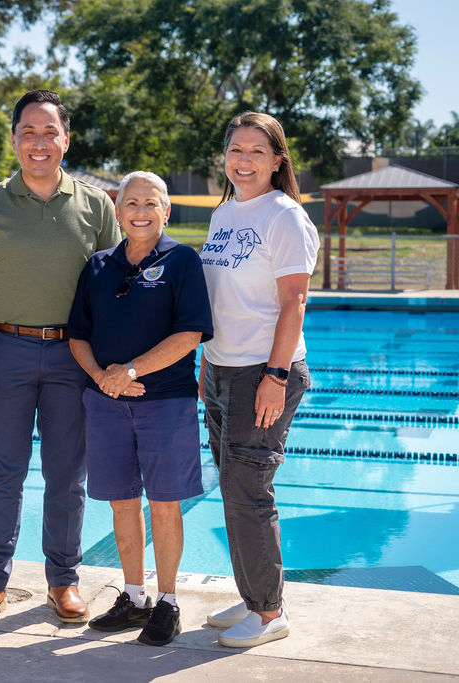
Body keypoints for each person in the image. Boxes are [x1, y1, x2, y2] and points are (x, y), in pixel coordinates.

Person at [0, 90, 121, 627]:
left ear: (66, 141)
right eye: (28, 131)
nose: (39, 142)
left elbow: (113, 291)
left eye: (50, 132)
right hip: (5, 350)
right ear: (14, 140)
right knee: (2, 472)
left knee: (66, 476)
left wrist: (106, 367)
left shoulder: (96, 205)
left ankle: (64, 580)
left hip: (74, 354)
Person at [67, 171, 212, 646]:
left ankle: (168, 600)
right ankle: (134, 595)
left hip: (164, 402)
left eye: (151, 203)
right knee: (121, 502)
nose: (141, 211)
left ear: (166, 211)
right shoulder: (98, 265)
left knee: (165, 504)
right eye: (131, 202)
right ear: (117, 210)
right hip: (106, 402)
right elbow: (79, 336)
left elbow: (189, 334)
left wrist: (128, 372)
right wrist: (102, 378)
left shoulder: (182, 260)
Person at [199, 112, 318, 648]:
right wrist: (205, 362)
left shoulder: (285, 216)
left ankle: (269, 614)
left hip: (262, 371)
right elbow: (220, 297)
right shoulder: (224, 212)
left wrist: (274, 375)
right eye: (235, 150)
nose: (243, 161)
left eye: (256, 152)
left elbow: (294, 301)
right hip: (222, 367)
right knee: (233, 486)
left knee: (249, 490)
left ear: (277, 161)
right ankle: (255, 595)